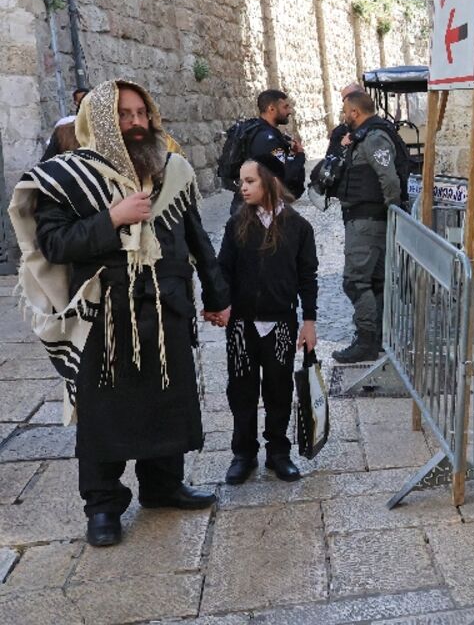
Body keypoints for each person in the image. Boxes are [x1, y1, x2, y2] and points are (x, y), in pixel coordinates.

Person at [7, 80, 231, 547]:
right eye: (123, 115)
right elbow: (55, 244)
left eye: (141, 113)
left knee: (166, 401)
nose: (135, 123)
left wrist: (217, 293)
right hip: (104, 316)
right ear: (102, 121)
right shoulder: (67, 178)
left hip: (166, 308)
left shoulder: (173, 169)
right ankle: (103, 506)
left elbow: (195, 239)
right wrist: (112, 218)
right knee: (105, 413)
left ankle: (163, 485)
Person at [218, 155, 319, 485]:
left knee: (278, 388)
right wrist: (221, 304)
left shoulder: (298, 227)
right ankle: (243, 453)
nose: (243, 188)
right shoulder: (236, 225)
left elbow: (308, 276)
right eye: (241, 182)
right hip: (243, 325)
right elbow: (224, 271)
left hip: (281, 324)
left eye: (250, 181)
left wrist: (309, 321)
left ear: (270, 182)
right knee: (242, 389)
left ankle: (278, 451)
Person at [333, 92, 404, 363]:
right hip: (367, 220)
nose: (344, 116)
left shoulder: (374, 136)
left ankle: (366, 341)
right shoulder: (366, 134)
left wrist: (391, 210)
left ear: (354, 112)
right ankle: (376, 340)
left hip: (368, 222)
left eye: (345, 111)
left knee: (355, 281)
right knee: (375, 282)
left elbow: (389, 179)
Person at [233, 90, 306, 210]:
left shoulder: (261, 131)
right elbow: (287, 173)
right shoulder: (268, 139)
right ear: (271, 109)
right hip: (260, 208)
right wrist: (299, 155)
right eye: (285, 107)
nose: (289, 111)